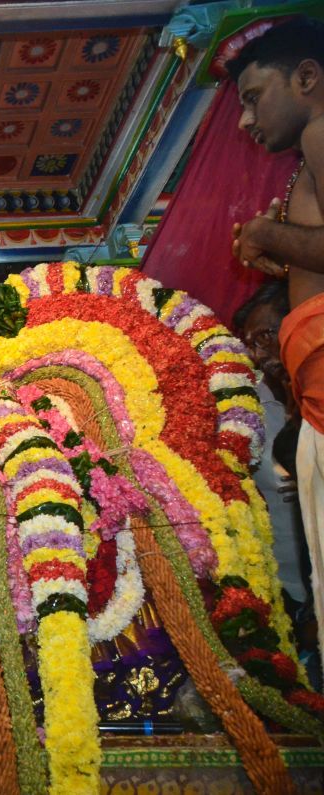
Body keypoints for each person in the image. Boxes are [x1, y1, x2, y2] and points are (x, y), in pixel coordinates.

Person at [228, 15, 324, 679]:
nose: (245, 120)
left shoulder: (320, 130)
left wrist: (267, 234)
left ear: (307, 77)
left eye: (254, 97)